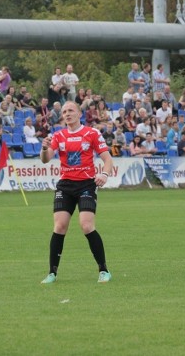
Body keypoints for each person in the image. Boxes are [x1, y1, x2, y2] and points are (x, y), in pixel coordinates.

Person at [39, 101, 113, 284]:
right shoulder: (58, 135)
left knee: (86, 225)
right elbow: (45, 160)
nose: (67, 114)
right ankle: (52, 273)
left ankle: (104, 270)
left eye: (71, 110)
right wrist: (43, 148)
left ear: (79, 113)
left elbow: (107, 159)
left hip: (86, 185)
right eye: (64, 111)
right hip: (65, 185)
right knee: (59, 226)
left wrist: (104, 174)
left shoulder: (92, 133)